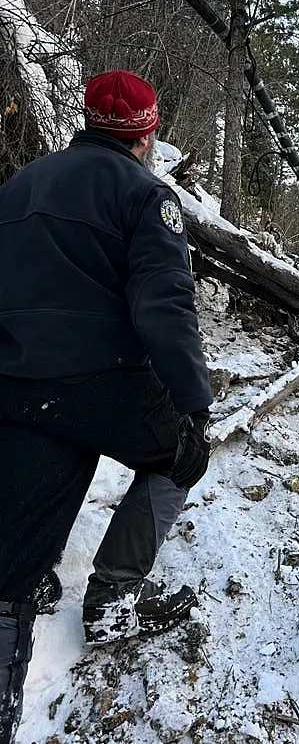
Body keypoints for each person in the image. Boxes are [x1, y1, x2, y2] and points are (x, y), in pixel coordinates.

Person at [0, 70, 214, 743]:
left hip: (14, 378)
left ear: (87, 120)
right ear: (147, 136)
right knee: (181, 456)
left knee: (14, 557)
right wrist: (193, 405)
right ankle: (114, 597)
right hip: (102, 380)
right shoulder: (148, 196)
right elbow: (165, 307)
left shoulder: (18, 187)